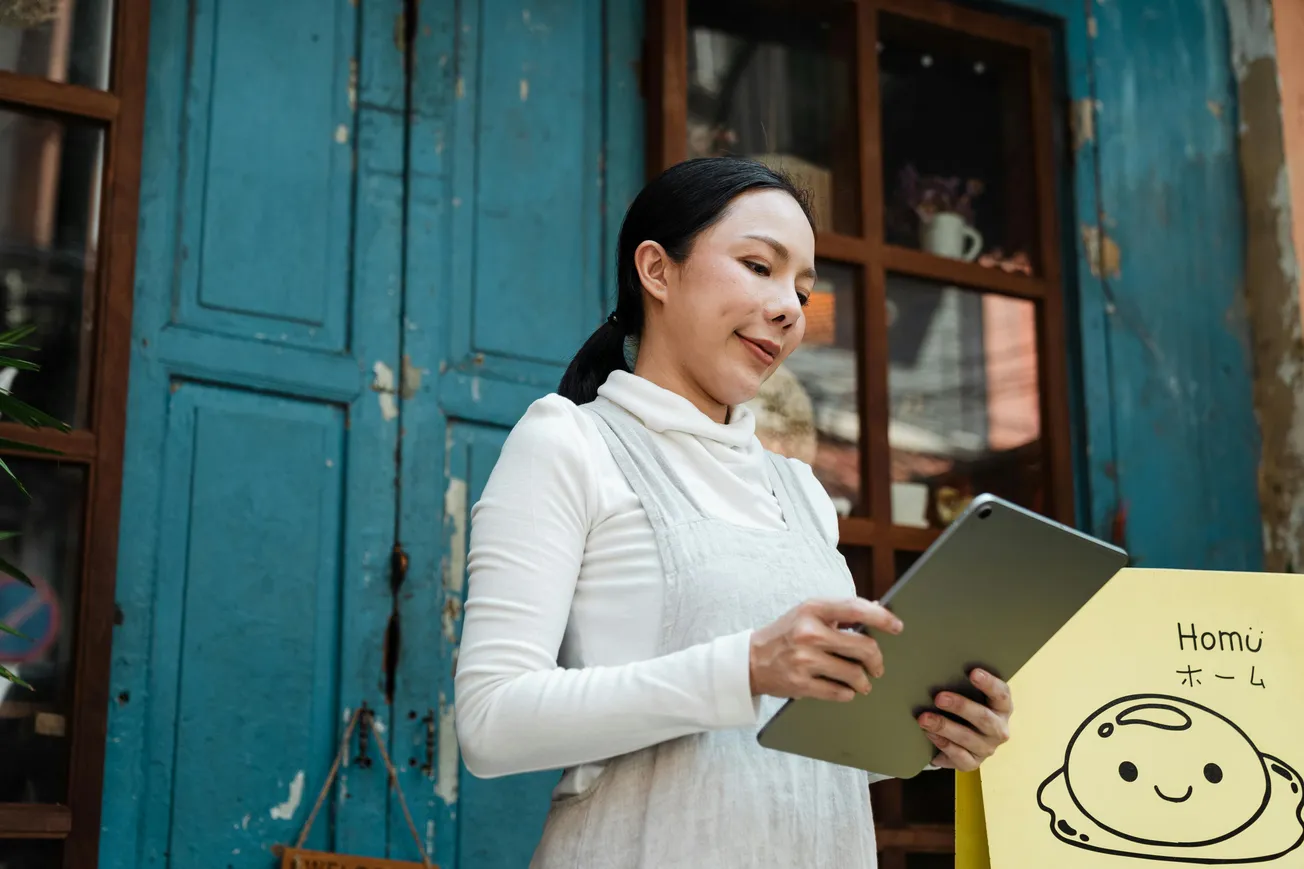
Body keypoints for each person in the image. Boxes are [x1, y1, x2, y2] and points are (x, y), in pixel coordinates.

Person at [453, 157, 1014, 867]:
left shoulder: (801, 490)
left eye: (804, 290)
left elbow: (794, 754)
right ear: (656, 270)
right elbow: (489, 722)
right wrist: (745, 666)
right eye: (759, 265)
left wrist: (926, 736)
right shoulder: (569, 441)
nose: (789, 307)